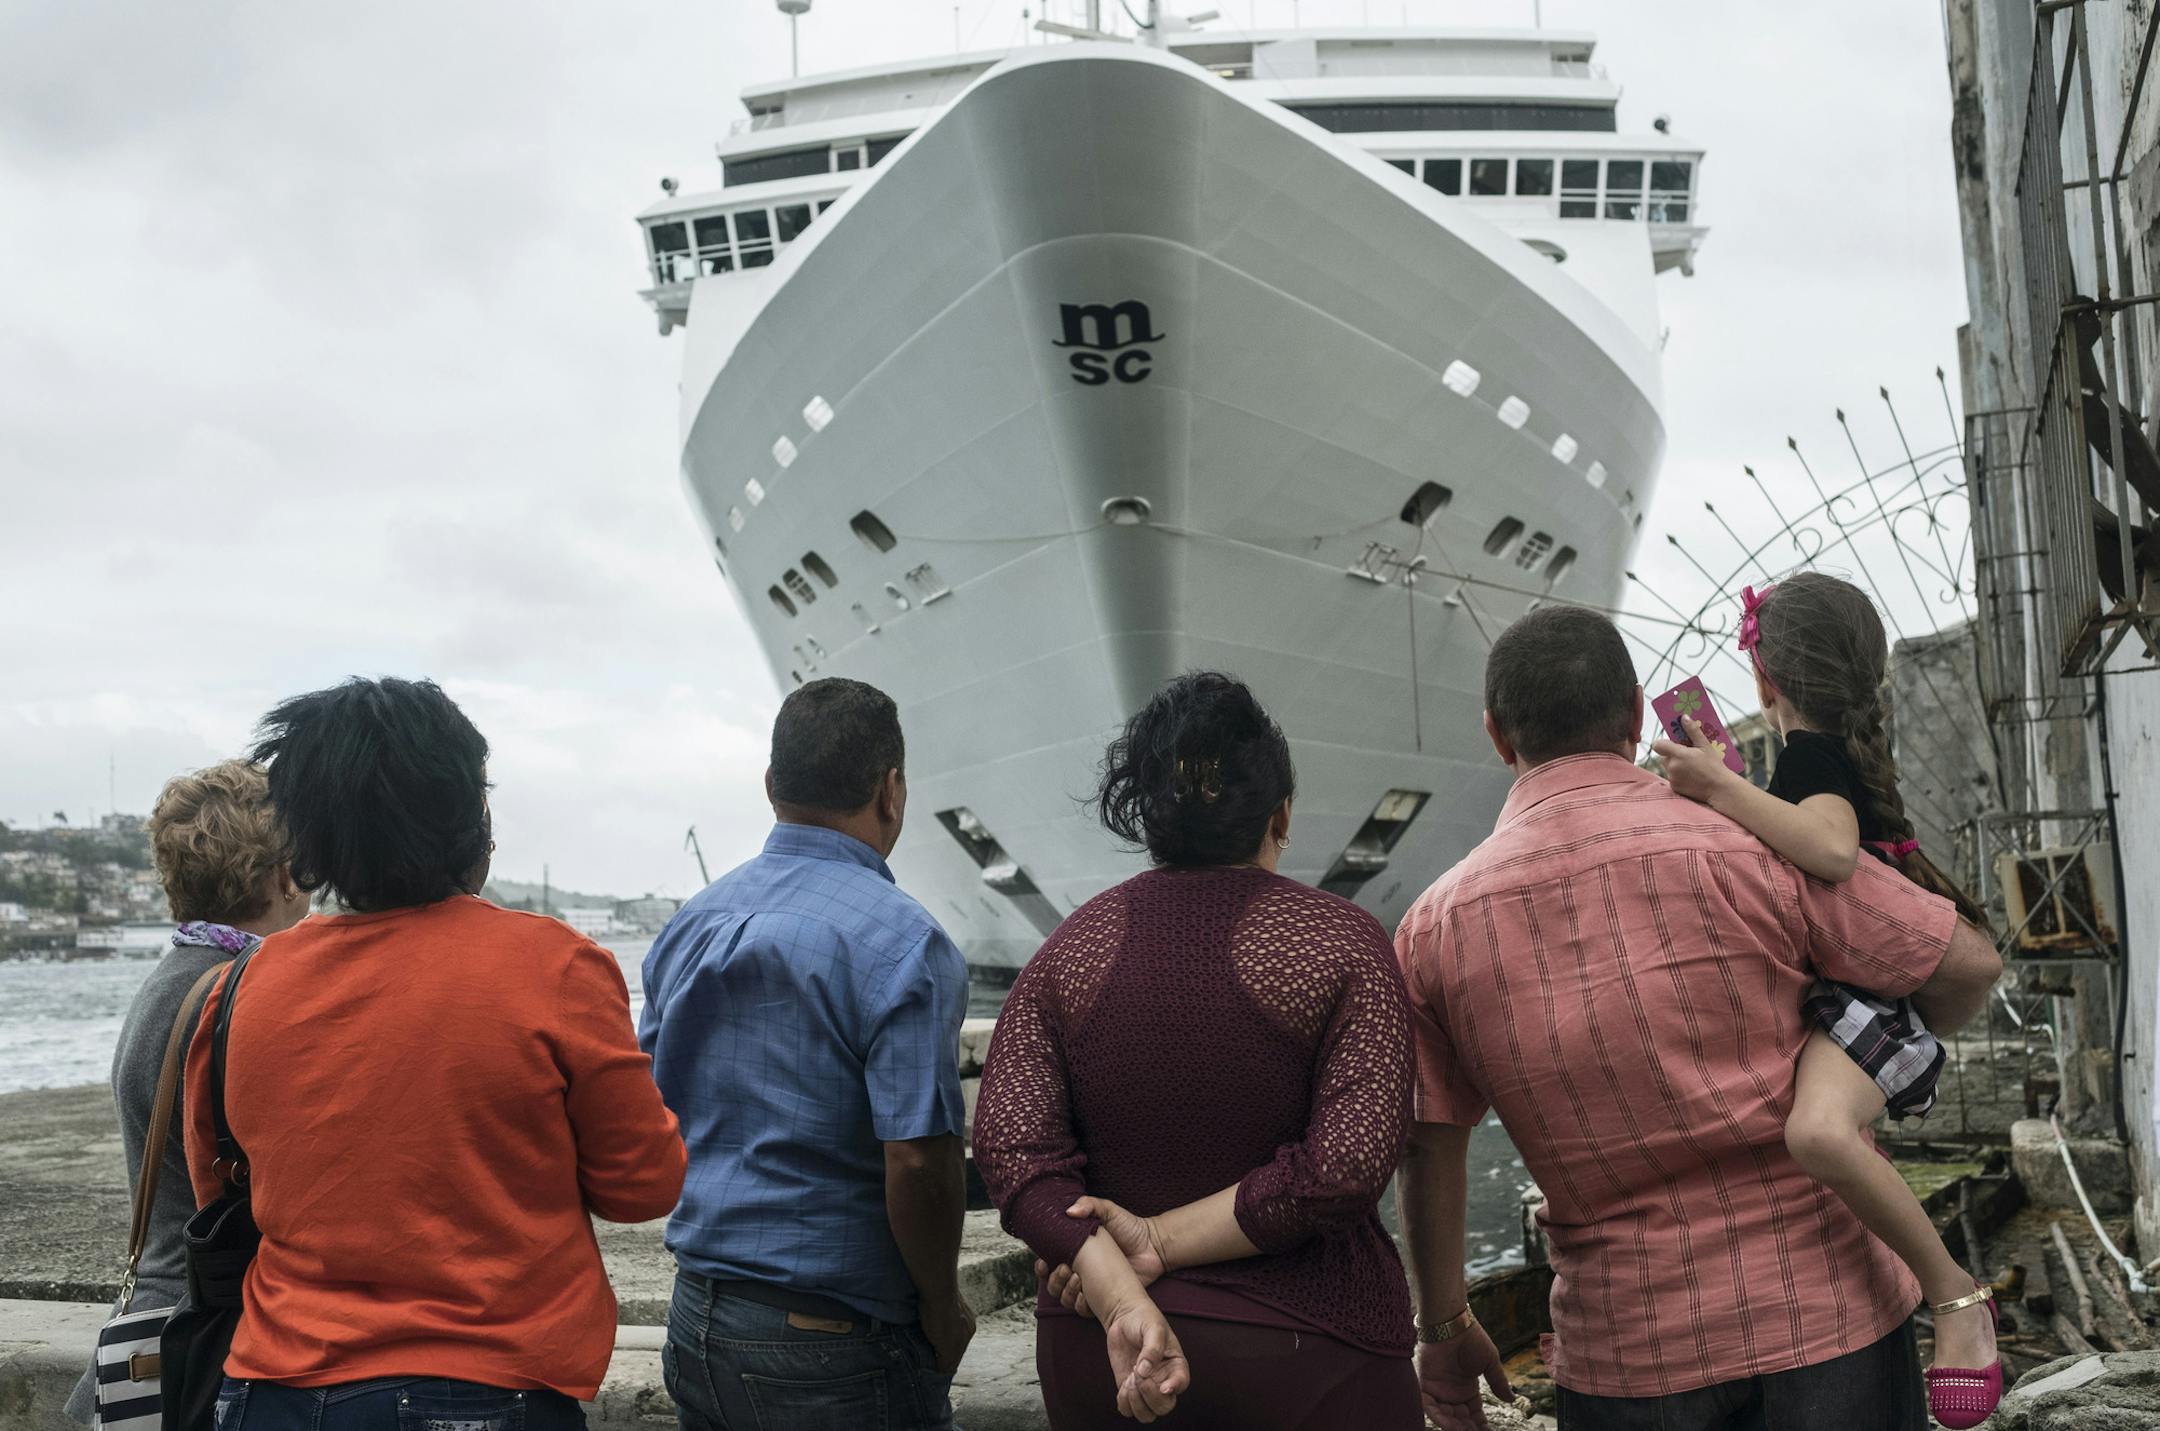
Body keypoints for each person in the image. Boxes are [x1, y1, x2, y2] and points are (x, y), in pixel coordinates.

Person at [1394, 606, 2003, 1431]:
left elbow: (1429, 1143)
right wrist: (1865, 1059)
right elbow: (1965, 962)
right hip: (1830, 1313)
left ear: (1499, 736)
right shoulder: (1749, 844)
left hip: (1625, 1353)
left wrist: (1443, 1326)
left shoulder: (1434, 926)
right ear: (1640, 711)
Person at [185, 677, 686, 1431]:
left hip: (271, 1388)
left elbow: (220, 1193)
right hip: (487, 1387)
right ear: (466, 818)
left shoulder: (236, 988)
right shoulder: (553, 965)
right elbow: (644, 1184)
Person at [974, 671, 1421, 1430]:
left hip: (1103, 1356)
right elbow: (1344, 1169)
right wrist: (1153, 1242)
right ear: (1280, 815)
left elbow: (1011, 1150)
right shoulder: (1342, 943)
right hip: (1306, 1353)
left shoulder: (1068, 952)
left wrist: (1115, 1279)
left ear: (1150, 821)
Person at [1654, 573, 2001, 1428]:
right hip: (1850, 1000)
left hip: (1859, 1006)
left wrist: (1720, 789)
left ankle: (1958, 1300)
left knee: (1816, 1131)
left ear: (1765, 677)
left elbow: (1834, 853)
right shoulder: (1824, 756)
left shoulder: (1809, 757)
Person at [640, 677, 974, 1431]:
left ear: (771, 786)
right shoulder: (904, 941)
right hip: (835, 1338)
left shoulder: (691, 924)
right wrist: (940, 1303)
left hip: (697, 1313)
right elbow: (919, 1159)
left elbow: (649, 1108)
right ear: (891, 790)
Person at [64, 760, 313, 1423]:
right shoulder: (235, 998)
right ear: (285, 876)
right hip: (201, 1345)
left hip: (154, 1327)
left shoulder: (173, 978)